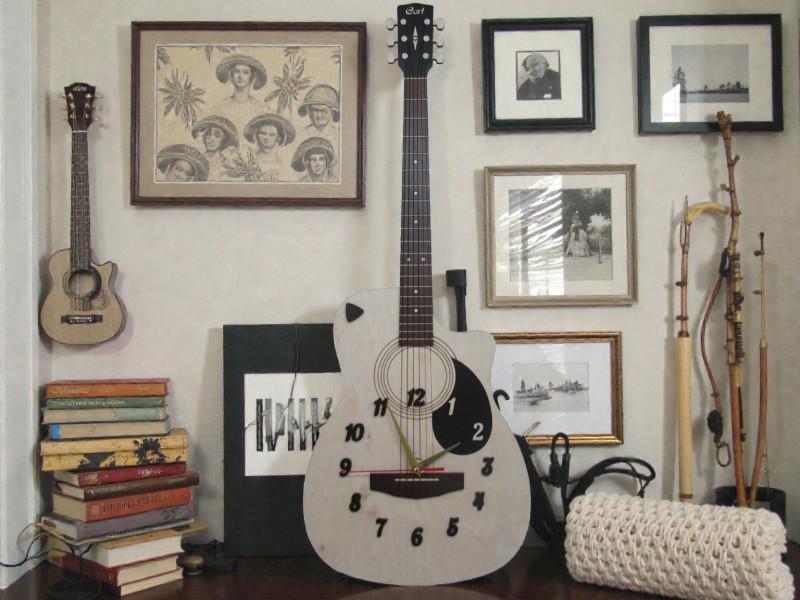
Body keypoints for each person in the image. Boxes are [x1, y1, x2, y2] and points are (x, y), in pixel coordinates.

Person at [212, 54, 268, 133]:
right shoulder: (220, 107)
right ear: (231, 76)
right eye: (236, 72)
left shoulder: (260, 108)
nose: (241, 76)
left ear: (251, 77)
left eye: (246, 72)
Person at [242, 113, 296, 182]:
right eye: (263, 133)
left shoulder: (283, 166)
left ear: (278, 138)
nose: (266, 138)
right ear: (256, 135)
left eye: (272, 134)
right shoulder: (247, 161)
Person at [190, 115, 241, 181]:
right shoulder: (198, 158)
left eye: (217, 135)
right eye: (208, 133)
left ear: (224, 139)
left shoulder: (227, 161)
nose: (211, 139)